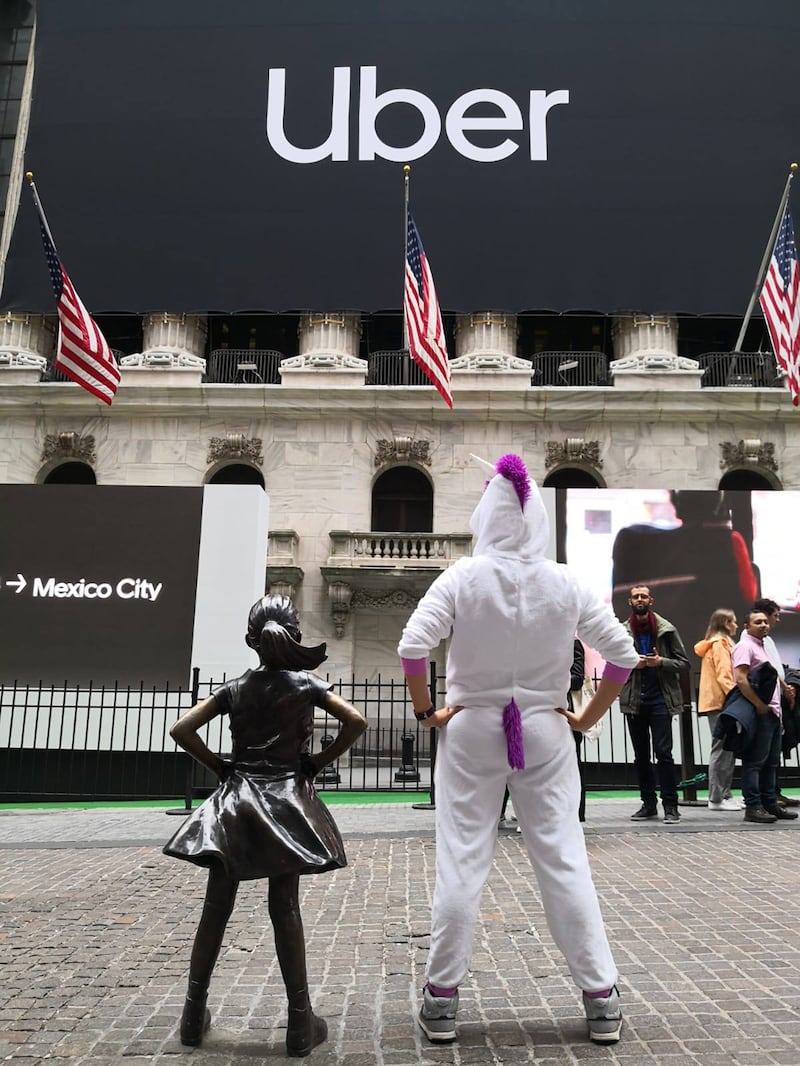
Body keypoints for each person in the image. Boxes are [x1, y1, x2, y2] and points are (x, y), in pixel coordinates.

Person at [397, 454, 639, 1046]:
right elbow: (625, 657)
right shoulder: (565, 580)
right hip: (545, 727)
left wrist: (428, 711)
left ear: (488, 516)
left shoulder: (462, 575)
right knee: (562, 855)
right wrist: (585, 716)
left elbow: (412, 646)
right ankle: (601, 995)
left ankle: (443, 998)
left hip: (472, 724)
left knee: (462, 858)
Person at [163, 595, 367, 1055]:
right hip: (287, 801)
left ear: (250, 641)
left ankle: (193, 1015)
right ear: (293, 635)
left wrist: (220, 767)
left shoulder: (234, 688)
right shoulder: (307, 684)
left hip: (235, 802)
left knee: (216, 907)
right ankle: (299, 1022)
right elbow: (356, 721)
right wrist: (315, 762)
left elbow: (181, 731)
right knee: (285, 906)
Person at [619, 585, 689, 824]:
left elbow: (683, 662)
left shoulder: (667, 629)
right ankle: (648, 804)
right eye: (636, 596)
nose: (640, 599)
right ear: (630, 601)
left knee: (664, 753)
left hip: (661, 698)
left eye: (644, 596)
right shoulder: (623, 631)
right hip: (635, 699)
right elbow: (614, 663)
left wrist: (660, 662)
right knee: (641, 756)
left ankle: (671, 805)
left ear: (651, 600)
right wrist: (632, 663)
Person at [733, 609, 797, 824]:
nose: (763, 625)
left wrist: (784, 688)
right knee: (754, 762)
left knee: (771, 762)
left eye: (764, 622)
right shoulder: (745, 646)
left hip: (773, 713)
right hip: (761, 712)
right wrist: (759, 705)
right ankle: (753, 806)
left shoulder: (763, 646)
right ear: (746, 626)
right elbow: (741, 679)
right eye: (757, 622)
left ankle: (770, 803)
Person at [751, 597, 799, 809]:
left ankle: (772, 795)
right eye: (774, 616)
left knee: (773, 753)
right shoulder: (750, 642)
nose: (773, 622)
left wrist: (786, 686)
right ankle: (760, 798)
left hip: (776, 701)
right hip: (766, 702)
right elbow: (765, 668)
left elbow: (774, 668)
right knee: (763, 754)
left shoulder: (767, 640)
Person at [693, 609, 741, 810]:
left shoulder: (719, 643)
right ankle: (716, 798)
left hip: (720, 702)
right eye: (733, 622)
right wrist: (738, 698)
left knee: (727, 749)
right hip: (722, 703)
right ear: (725, 623)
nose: (736, 626)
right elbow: (725, 676)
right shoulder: (720, 645)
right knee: (721, 749)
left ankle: (725, 794)